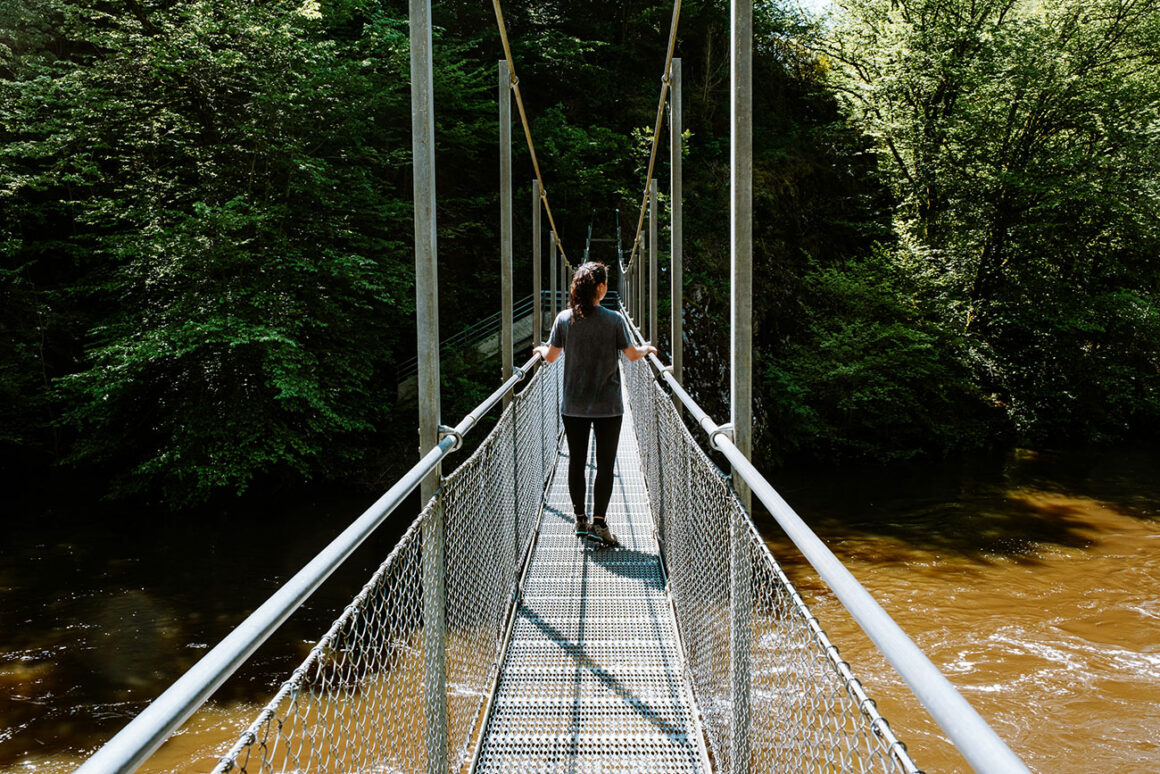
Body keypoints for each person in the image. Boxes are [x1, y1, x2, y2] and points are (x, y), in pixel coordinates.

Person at [534, 261, 657, 546]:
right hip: (608, 407)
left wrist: (541, 349)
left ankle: (580, 520)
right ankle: (600, 523)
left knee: (576, 463)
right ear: (600, 287)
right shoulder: (614, 320)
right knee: (605, 465)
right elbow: (631, 355)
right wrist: (647, 348)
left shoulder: (564, 319)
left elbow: (550, 357)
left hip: (573, 406)